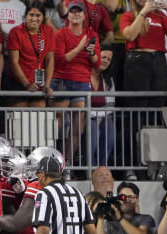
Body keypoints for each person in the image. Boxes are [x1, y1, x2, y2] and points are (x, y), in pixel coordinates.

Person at [50, 0, 100, 160]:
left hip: (82, 83)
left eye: (79, 11)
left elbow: (97, 63)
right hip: (61, 81)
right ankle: (51, 161)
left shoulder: (92, 35)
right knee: (56, 127)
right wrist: (79, 48)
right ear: (68, 15)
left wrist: (91, 53)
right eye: (72, 11)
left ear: (84, 15)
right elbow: (60, 60)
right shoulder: (60, 34)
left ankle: (67, 166)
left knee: (77, 128)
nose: (76, 14)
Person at [121, 0, 167, 108]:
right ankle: (136, 125)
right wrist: (143, 12)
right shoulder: (128, 15)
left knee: (158, 100)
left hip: (158, 60)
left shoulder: (160, 15)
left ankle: (154, 124)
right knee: (137, 103)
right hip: (137, 61)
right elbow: (130, 36)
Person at [6, 1, 54, 107]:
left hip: (38, 83)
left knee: (37, 118)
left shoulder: (48, 31)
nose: (34, 19)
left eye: (38, 15)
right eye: (31, 15)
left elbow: (50, 59)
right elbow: (14, 62)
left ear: (43, 17)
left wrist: (47, 84)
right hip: (18, 82)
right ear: (25, 16)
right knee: (19, 118)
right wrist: (26, 84)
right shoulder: (16, 32)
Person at [90, 46, 117, 166]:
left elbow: (110, 105)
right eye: (103, 57)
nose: (106, 61)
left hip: (102, 117)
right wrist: (95, 117)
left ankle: (102, 166)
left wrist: (99, 117)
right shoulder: (82, 75)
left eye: (109, 59)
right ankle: (90, 167)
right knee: (93, 130)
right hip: (85, 117)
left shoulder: (108, 80)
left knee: (109, 127)